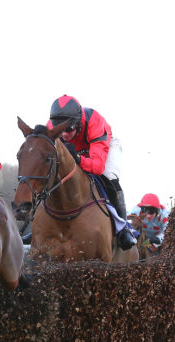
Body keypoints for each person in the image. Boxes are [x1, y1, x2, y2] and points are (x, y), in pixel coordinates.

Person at [47, 95, 137, 250]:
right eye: (60, 130)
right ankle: (40, 221)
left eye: (69, 129)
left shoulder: (94, 123)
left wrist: (77, 158)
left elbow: (97, 167)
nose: (65, 135)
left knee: (109, 177)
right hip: (78, 150)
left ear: (78, 123)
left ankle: (123, 229)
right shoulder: (51, 127)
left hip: (102, 147)